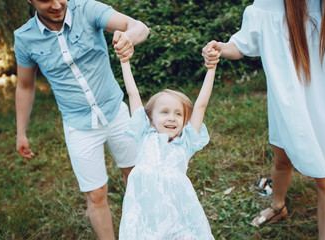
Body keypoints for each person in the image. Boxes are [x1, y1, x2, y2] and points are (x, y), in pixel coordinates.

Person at [203, 0, 325, 239]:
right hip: (287, 102)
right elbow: (242, 44)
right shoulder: (271, 3)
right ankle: (277, 206)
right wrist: (221, 48)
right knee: (281, 159)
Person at [13, 0, 149, 239]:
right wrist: (20, 132)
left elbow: (138, 26)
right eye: (46, 0)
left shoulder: (87, 9)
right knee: (96, 195)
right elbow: (25, 86)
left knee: (136, 176)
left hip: (116, 113)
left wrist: (129, 38)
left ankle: (144, 231)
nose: (57, 4)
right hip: (78, 127)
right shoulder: (25, 38)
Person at [115, 33, 216, 239]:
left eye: (178, 114)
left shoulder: (185, 143)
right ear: (150, 118)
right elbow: (133, 94)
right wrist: (125, 62)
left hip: (177, 212)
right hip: (146, 213)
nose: (172, 118)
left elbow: (201, 104)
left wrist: (211, 69)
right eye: (164, 112)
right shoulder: (144, 133)